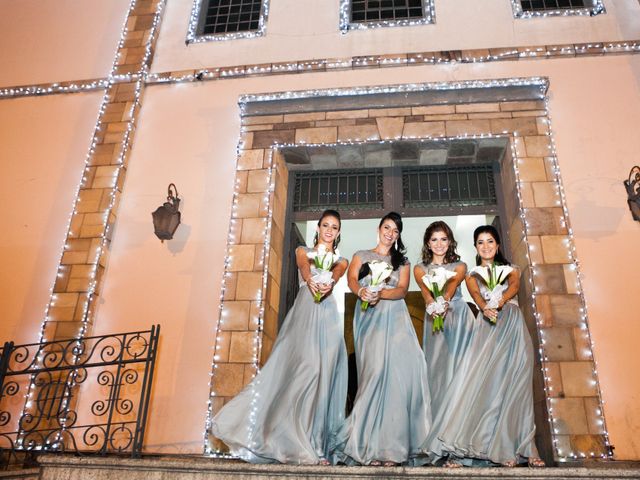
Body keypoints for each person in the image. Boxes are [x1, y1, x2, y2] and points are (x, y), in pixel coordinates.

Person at [211, 209, 348, 464]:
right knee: (307, 370)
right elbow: (304, 268)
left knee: (324, 377)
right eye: (326, 225)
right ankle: (282, 436)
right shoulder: (303, 251)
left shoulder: (341, 259)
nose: (329, 230)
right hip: (306, 313)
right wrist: (311, 281)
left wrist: (328, 282)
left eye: (335, 227)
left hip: (328, 318)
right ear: (318, 228)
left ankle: (316, 445)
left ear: (339, 233)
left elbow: (338, 274)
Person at [430, 225, 543, 467]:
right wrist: (485, 305)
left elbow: (513, 287)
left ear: (498, 244)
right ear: (476, 247)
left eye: (490, 241)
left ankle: (523, 446)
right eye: (480, 242)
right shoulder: (472, 274)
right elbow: (476, 297)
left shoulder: (512, 269)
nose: (486, 246)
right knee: (487, 385)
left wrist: (500, 300)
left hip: (512, 325)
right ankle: (479, 447)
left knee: (518, 385)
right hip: (488, 328)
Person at [330, 212, 431, 466]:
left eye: (395, 230)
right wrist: (363, 291)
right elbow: (352, 280)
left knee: (397, 380)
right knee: (374, 376)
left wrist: (379, 293)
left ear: (398, 236)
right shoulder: (361, 255)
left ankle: (391, 449)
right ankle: (367, 445)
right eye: (387, 227)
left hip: (396, 322)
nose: (390, 233)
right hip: (370, 320)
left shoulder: (402, 262)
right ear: (379, 228)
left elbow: (402, 290)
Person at [414, 221, 477, 467]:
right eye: (434, 240)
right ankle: (439, 442)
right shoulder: (420, 268)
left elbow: (452, 285)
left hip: (459, 319)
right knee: (439, 378)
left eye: (443, 239)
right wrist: (433, 303)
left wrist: (444, 300)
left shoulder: (459, 265)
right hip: (435, 322)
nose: (439, 244)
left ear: (449, 241)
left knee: (460, 378)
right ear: (428, 244)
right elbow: (424, 289)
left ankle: (460, 446)